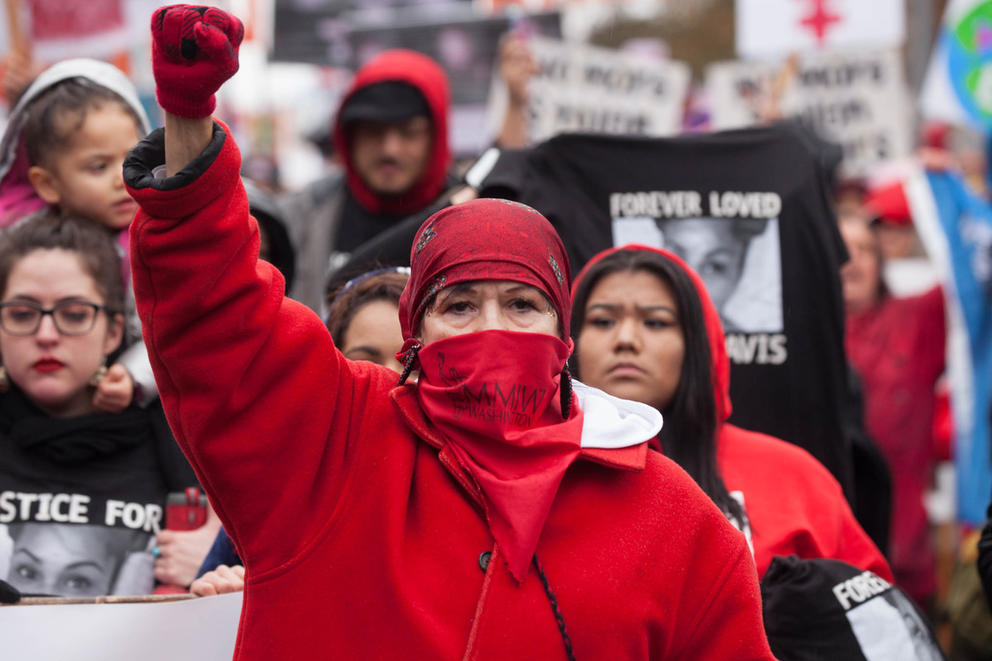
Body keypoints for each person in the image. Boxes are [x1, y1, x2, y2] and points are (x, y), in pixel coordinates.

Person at [126, 7, 775, 658]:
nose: (491, 329)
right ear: (413, 329)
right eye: (459, 305)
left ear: (564, 330)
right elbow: (215, 320)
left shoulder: (674, 517)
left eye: (522, 304)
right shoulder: (333, 442)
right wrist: (188, 117)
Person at [570, 244, 891, 580]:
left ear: (697, 343)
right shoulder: (535, 476)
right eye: (603, 320)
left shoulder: (793, 479)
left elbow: (874, 619)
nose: (626, 339)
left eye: (655, 322)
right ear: (569, 339)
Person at [0, 213, 202, 596]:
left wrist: (215, 560)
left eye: (74, 314)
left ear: (112, 333)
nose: (46, 335)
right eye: (22, 314)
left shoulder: (179, 442)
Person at [190, 266, 411, 596]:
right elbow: (196, 629)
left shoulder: (475, 486)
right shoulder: (276, 490)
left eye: (410, 360)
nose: (392, 377)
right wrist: (224, 598)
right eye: (366, 359)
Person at [0, 58, 157, 414]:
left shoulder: (158, 243)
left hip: (125, 417)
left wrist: (134, 376)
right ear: (48, 183)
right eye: (98, 166)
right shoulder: (18, 246)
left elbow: (177, 328)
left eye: (134, 158)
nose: (123, 178)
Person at [281, 47, 462, 313]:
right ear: (349, 137)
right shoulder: (299, 220)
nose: (390, 149)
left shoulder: (467, 218)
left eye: (409, 133)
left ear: (436, 138)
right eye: (373, 133)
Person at [841, 213, 946, 609]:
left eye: (865, 249)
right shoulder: (796, 337)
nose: (852, 259)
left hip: (907, 563)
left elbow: (968, 272)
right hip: (830, 562)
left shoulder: (917, 319)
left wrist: (944, 184)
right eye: (841, 248)